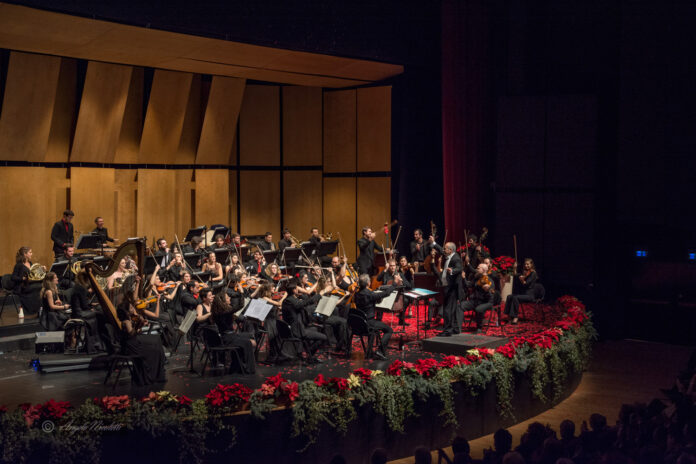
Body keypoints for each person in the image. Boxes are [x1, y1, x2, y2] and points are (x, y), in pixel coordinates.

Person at [116, 275, 166, 385]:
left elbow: (135, 332)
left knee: (157, 339)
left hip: (135, 341)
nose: (134, 308)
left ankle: (159, 369)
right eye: (131, 308)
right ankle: (152, 374)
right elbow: (132, 334)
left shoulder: (131, 316)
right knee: (154, 349)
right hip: (131, 346)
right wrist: (138, 326)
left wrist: (140, 323)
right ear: (127, 311)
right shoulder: (126, 321)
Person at [282, 281, 328, 363]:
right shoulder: (290, 301)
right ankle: (309, 353)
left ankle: (309, 354)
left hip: (297, 327)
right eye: (297, 288)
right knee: (323, 337)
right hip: (297, 330)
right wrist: (320, 294)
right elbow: (305, 303)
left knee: (315, 329)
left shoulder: (289, 300)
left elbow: (304, 303)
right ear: (294, 290)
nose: (299, 289)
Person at [211, 292, 256, 373]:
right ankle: (247, 368)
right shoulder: (224, 312)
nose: (230, 298)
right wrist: (241, 292)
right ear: (223, 301)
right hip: (228, 338)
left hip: (229, 335)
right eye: (227, 298)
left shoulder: (220, 311)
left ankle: (239, 365)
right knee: (249, 342)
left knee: (249, 335)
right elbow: (241, 305)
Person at [354, 274, 394, 360]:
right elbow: (386, 293)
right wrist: (394, 285)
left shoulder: (356, 294)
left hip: (359, 324)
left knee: (373, 330)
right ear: (368, 283)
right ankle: (380, 350)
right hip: (369, 323)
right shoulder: (369, 294)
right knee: (389, 330)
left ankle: (369, 352)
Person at [433, 242, 463, 337]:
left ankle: (447, 330)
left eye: (445, 248)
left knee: (447, 310)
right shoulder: (450, 255)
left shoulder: (456, 258)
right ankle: (454, 329)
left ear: (450, 250)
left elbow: (459, 268)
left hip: (452, 288)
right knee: (450, 309)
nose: (443, 250)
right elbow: (440, 250)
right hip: (447, 287)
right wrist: (434, 242)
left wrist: (452, 271)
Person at [461, 263, 496, 332]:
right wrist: (464, 278)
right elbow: (469, 285)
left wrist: (487, 290)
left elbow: (491, 295)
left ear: (483, 270)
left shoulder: (489, 280)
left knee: (479, 309)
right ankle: (457, 326)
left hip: (486, 302)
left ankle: (479, 327)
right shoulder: (477, 278)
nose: (476, 269)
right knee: (460, 306)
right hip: (475, 301)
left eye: (478, 268)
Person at [504, 258, 539, 324]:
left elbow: (526, 284)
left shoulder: (533, 273)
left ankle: (515, 316)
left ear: (531, 265)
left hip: (529, 295)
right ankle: (509, 315)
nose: (526, 265)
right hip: (523, 294)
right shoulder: (525, 272)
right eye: (525, 264)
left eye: (528, 264)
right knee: (509, 296)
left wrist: (522, 280)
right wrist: (514, 268)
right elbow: (515, 275)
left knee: (515, 297)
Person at [11, 246, 42, 317]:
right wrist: (22, 278)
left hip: (29, 284)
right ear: (25, 254)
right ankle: (34, 310)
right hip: (21, 287)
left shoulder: (30, 263)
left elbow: (34, 273)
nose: (32, 254)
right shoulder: (18, 265)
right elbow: (13, 277)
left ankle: (38, 309)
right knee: (38, 287)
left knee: (40, 286)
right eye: (30, 252)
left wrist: (41, 269)